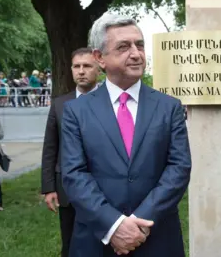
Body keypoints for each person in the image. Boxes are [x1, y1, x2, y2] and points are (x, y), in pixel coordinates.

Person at [60, 14, 191, 257]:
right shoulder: (76, 111)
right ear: (99, 57)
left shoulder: (169, 107)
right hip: (97, 240)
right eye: (123, 47)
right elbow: (74, 174)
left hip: (157, 237)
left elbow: (179, 167)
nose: (136, 53)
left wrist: (139, 222)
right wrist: (114, 225)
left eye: (139, 45)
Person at [41, 47, 100, 257]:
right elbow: (50, 147)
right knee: (70, 243)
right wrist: (48, 188)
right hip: (67, 188)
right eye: (77, 66)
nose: (81, 71)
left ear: (99, 68)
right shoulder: (59, 105)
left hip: (103, 186)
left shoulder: (110, 103)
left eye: (87, 66)